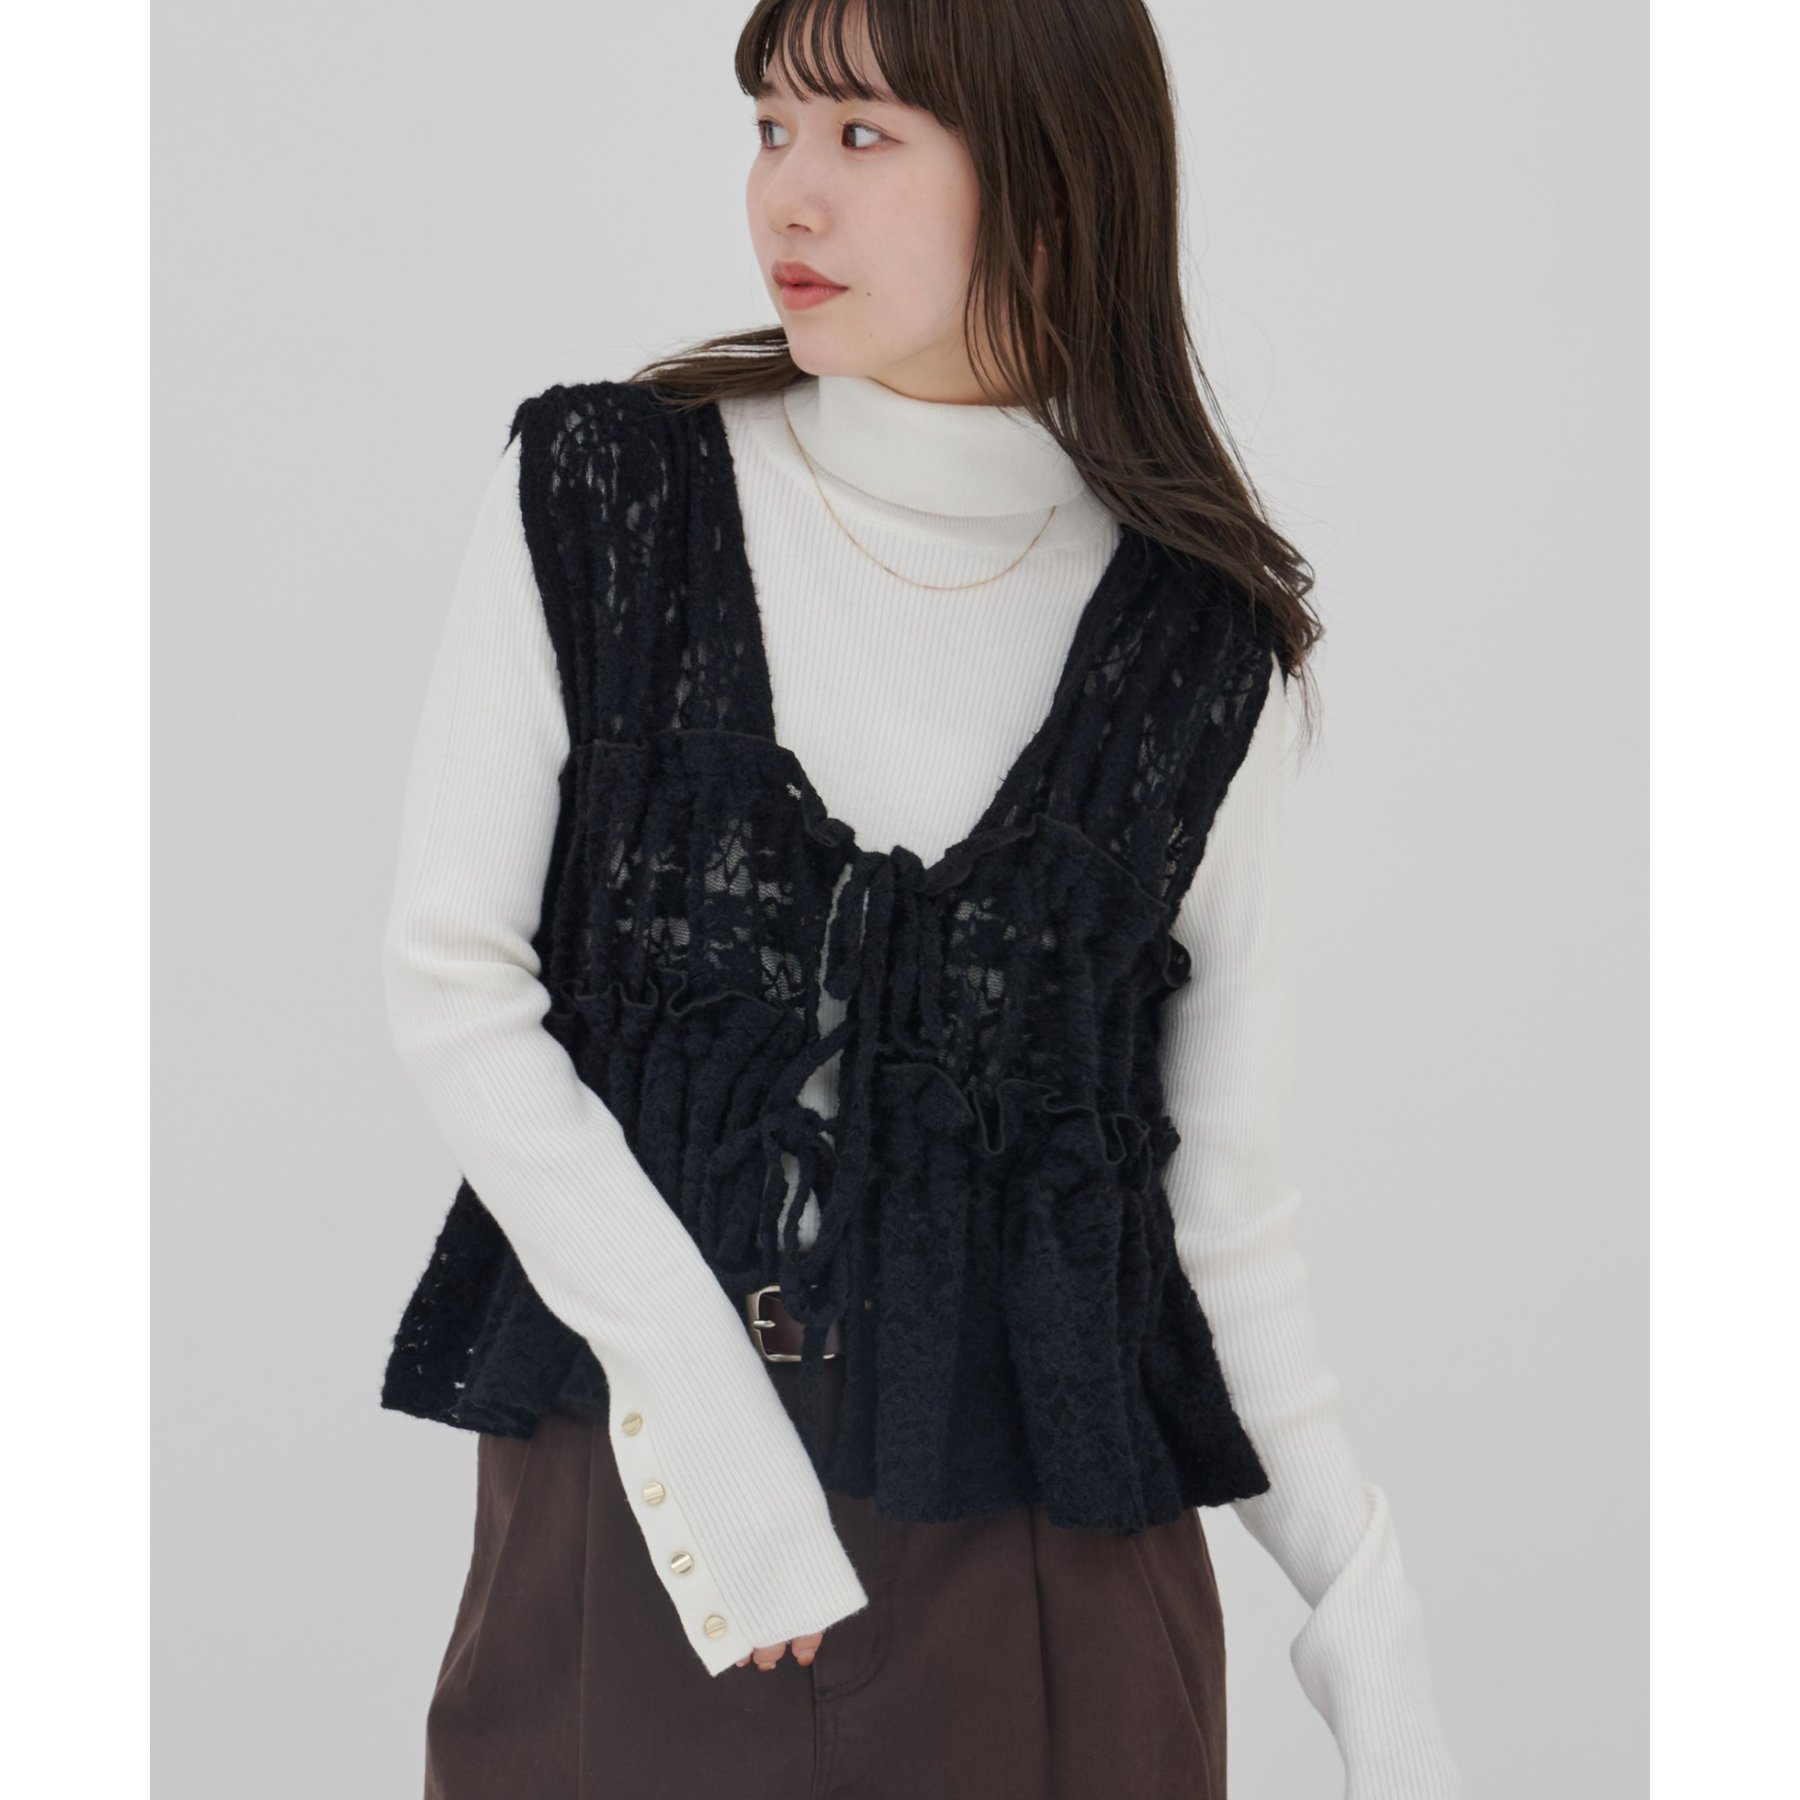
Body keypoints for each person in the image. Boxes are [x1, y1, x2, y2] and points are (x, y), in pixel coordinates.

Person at [379, 1, 1462, 1794]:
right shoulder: (609, 498)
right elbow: (454, 981)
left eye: (861, 135)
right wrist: (708, 1428)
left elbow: (1213, 1209)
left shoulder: (1199, 653)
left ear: (1052, 182)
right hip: (645, 1548)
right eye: (770, 126)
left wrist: (1369, 1625)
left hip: (1056, 1592)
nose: (786, 196)